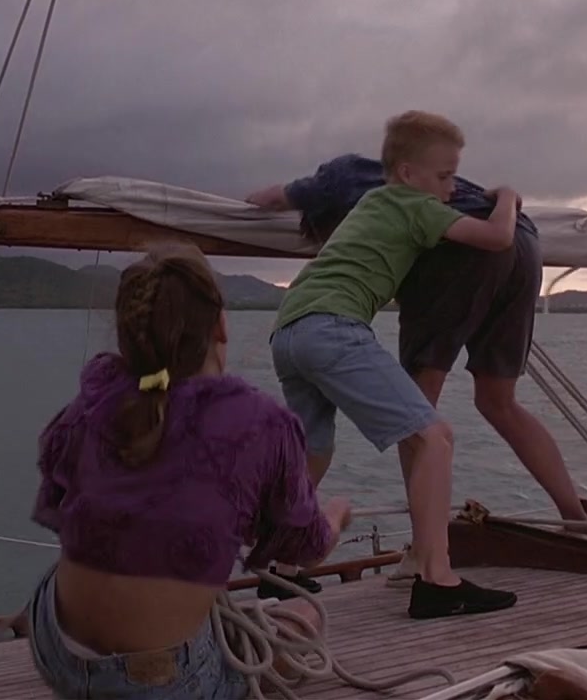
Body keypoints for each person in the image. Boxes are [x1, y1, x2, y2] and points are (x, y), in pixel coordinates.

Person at [247, 138, 587, 595]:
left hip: (332, 310)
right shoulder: (418, 189)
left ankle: (421, 559)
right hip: (524, 243)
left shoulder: (348, 181)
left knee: (412, 424)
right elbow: (500, 235)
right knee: (493, 404)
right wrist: (508, 197)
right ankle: (578, 522)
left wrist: (253, 201)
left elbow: (269, 198)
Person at [27, 243, 353, 699]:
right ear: (220, 324)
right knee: (305, 618)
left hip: (54, 647)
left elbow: (60, 496)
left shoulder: (95, 396)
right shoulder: (261, 424)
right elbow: (307, 546)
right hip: (157, 683)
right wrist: (336, 514)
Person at [264, 110, 520, 620]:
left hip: (288, 328)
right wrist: (508, 198)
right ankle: (437, 579)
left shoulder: (372, 201)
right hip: (332, 325)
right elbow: (498, 239)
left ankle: (281, 569)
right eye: (445, 176)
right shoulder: (417, 205)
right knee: (433, 437)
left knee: (314, 451)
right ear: (407, 174)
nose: (452, 189)